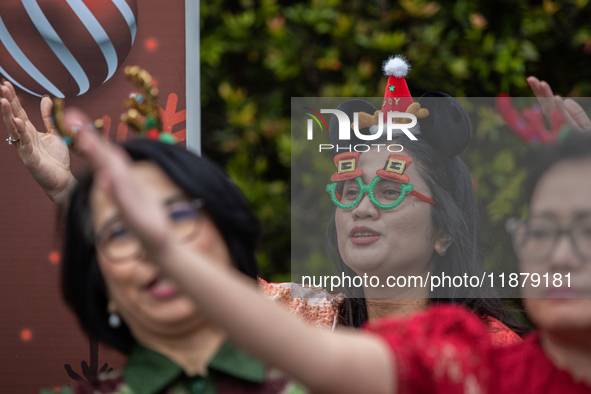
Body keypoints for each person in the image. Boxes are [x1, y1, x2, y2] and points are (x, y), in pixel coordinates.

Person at [78, 105, 591, 394]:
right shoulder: (299, 308)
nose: (361, 209)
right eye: (348, 192)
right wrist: (79, 194)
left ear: (445, 231)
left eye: (389, 191)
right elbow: (203, 286)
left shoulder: (486, 353)